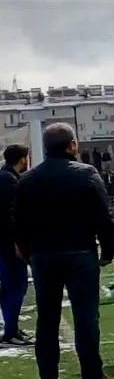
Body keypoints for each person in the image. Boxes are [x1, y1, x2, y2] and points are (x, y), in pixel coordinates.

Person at [12, 124, 114, 379]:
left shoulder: (27, 180)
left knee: (47, 317)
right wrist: (108, 250)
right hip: (79, 251)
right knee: (86, 316)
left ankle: (49, 377)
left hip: (43, 255)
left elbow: (19, 222)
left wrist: (26, 251)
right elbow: (104, 217)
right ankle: (92, 376)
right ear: (72, 145)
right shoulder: (86, 174)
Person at [1, 143, 32, 345]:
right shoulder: (9, 181)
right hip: (8, 245)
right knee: (15, 286)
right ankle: (11, 332)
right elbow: (10, 217)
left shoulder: (6, 177)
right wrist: (17, 243)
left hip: (5, 243)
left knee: (12, 286)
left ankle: (12, 329)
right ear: (22, 159)